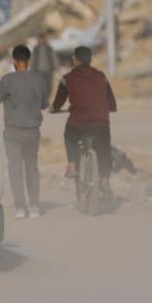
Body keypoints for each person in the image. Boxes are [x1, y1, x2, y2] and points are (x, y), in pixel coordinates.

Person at [51, 46, 117, 200]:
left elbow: (58, 103)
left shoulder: (67, 78)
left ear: (76, 60)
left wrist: (54, 108)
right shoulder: (101, 76)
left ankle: (72, 165)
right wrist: (110, 108)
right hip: (101, 123)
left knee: (69, 135)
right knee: (105, 150)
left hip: (78, 124)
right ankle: (105, 181)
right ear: (91, 60)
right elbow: (111, 101)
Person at [0, 44, 49, 219]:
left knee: (15, 169)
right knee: (32, 167)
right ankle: (34, 206)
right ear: (29, 60)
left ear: (14, 61)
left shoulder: (7, 80)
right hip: (33, 130)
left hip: (13, 132)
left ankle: (20, 207)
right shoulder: (38, 79)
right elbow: (44, 104)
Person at [30, 31, 57, 101]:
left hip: (48, 70)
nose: (42, 40)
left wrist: (55, 67)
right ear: (38, 39)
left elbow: (53, 58)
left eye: (44, 38)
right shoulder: (36, 49)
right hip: (39, 71)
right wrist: (32, 70)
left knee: (49, 86)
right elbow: (33, 60)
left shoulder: (49, 48)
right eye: (41, 38)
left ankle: (47, 99)